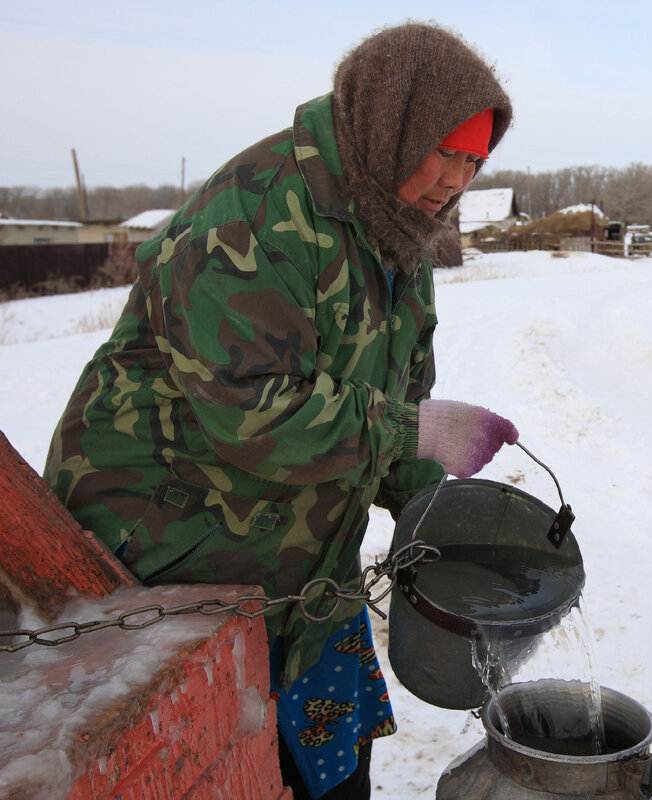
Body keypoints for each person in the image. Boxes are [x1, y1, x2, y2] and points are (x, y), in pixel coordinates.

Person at [43, 22, 516, 800]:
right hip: (170, 563)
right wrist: (413, 433)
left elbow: (397, 393)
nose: (456, 179)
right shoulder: (255, 213)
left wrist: (428, 496)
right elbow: (253, 414)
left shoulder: (399, 235)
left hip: (304, 567)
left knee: (332, 780)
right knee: (211, 772)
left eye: (474, 160)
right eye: (444, 151)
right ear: (390, 125)